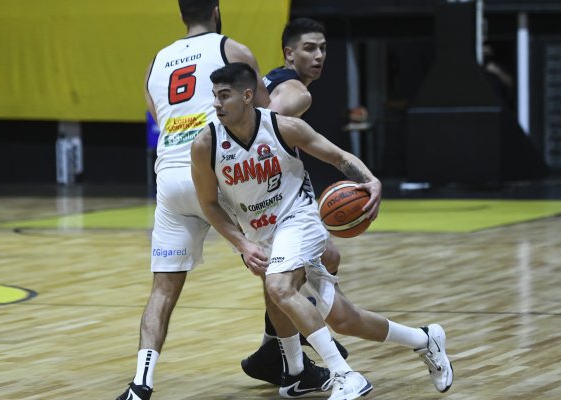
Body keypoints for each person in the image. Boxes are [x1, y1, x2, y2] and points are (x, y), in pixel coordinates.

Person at [190, 62, 454, 399]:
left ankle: (346, 376)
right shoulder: (205, 145)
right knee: (344, 319)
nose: (216, 103)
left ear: (246, 96)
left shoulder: (284, 128)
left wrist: (369, 180)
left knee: (279, 286)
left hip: (299, 219)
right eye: (214, 96)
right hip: (260, 234)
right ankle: (424, 339)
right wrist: (241, 243)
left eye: (223, 96)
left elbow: (337, 156)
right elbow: (209, 204)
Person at [114, 1, 279, 399]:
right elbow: (262, 114)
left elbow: (157, 114)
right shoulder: (231, 50)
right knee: (276, 267)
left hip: (170, 176)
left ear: (181, 13)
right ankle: (288, 360)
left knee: (163, 289)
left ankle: (141, 383)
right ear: (217, 9)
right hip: (219, 170)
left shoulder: (157, 61)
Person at [241, 17, 350, 387]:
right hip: (255, 192)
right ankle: (293, 349)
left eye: (323, 49)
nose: (318, 56)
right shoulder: (298, 93)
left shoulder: (275, 80)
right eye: (309, 48)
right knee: (288, 273)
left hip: (252, 188)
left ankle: (279, 347)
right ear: (289, 53)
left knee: (323, 258)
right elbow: (263, 126)